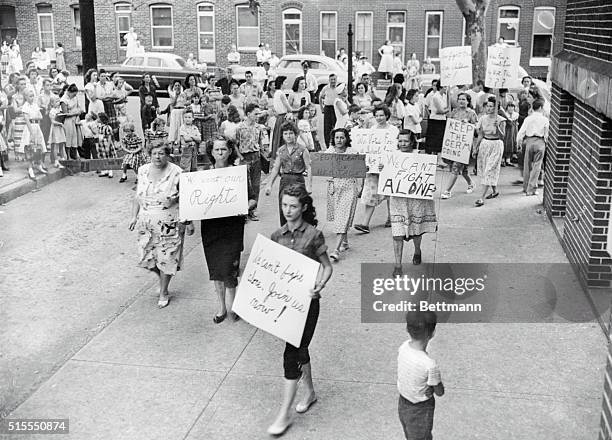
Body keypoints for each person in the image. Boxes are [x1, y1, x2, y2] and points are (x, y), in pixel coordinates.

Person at [267, 183, 333, 436]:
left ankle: (283, 415)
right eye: (284, 205)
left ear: (304, 207)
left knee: (291, 353)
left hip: (307, 304)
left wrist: (320, 284)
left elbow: (326, 267)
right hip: (285, 306)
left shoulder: (314, 235)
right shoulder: (277, 236)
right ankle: (310, 392)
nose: (288, 210)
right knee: (300, 349)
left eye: (293, 206)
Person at [129, 139, 194, 308]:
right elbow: (137, 195)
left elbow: (186, 199)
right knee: (147, 258)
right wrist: (133, 217)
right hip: (146, 223)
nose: (157, 157)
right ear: (149, 154)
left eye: (161, 153)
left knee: (167, 257)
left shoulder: (177, 173)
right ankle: (161, 278)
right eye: (154, 153)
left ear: (167, 155)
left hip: (169, 222)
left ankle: (164, 290)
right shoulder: (142, 171)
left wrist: (189, 222)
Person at [201, 136, 254, 323]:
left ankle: (234, 305)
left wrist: (245, 206)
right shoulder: (204, 173)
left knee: (230, 268)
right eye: (216, 150)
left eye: (224, 149)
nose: (220, 153)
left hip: (232, 227)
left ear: (230, 151)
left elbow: (252, 198)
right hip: (211, 228)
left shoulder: (238, 173)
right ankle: (221, 307)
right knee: (216, 269)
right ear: (211, 152)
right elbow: (195, 199)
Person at [381, 130, 437, 273]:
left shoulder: (420, 157)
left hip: (415, 200)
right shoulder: (391, 156)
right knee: (397, 233)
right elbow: (386, 175)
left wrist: (430, 183)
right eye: (400, 141)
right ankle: (398, 266)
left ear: (412, 141)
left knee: (416, 231)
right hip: (398, 200)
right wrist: (383, 169)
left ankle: (417, 250)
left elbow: (427, 176)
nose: (402, 144)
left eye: (405, 141)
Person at [397, 310, 444, 440]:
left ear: (407, 328)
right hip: (420, 409)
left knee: (410, 434)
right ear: (433, 333)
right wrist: (435, 387)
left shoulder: (403, 347)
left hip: (403, 403)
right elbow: (439, 391)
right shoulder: (429, 365)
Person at [353, 105, 397, 233]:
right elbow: (367, 148)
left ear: (387, 116)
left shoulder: (393, 130)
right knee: (371, 193)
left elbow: (395, 148)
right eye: (377, 115)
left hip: (388, 166)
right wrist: (367, 162)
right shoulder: (372, 129)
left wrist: (388, 163)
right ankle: (365, 223)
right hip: (373, 168)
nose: (379, 118)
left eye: (382, 115)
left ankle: (391, 218)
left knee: (389, 193)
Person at [264, 122, 312, 225]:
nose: (288, 136)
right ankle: (285, 233)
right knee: (285, 208)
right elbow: (276, 169)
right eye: (285, 134)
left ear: (296, 134)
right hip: (285, 181)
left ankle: (298, 234)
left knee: (298, 207)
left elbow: (309, 168)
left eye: (291, 133)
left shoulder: (302, 150)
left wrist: (308, 185)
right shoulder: (281, 150)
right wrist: (269, 185)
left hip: (298, 180)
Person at [325, 128, 359, 262]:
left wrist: (361, 184)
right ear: (333, 139)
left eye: (342, 137)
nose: (339, 140)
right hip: (334, 188)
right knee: (339, 216)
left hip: (349, 186)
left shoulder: (352, 152)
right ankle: (345, 242)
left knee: (343, 216)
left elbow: (360, 168)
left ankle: (336, 250)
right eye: (337, 137)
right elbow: (323, 168)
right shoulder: (329, 152)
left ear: (346, 139)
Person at [440, 92, 477, 199]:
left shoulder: (471, 113)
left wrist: (469, 124)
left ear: (468, 101)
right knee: (463, 170)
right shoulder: (454, 112)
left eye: (464, 99)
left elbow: (477, 129)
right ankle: (471, 183)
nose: (461, 101)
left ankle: (447, 191)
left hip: (464, 146)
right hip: (454, 145)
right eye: (459, 99)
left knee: (456, 168)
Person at [235, 103, 268, 220]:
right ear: (248, 114)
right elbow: (235, 144)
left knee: (255, 185)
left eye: (258, 114)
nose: (257, 116)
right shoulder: (239, 127)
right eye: (255, 114)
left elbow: (260, 143)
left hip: (256, 157)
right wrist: (241, 157)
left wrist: (263, 153)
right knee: (245, 186)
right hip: (245, 157)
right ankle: (243, 211)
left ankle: (252, 210)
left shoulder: (259, 128)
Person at [473, 96, 505, 206]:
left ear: (496, 108)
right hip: (485, 144)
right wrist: (476, 147)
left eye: (492, 106)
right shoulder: (482, 118)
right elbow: (481, 134)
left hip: (496, 144)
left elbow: (503, 136)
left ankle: (481, 198)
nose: (489, 108)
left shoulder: (500, 120)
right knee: (486, 169)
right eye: (488, 106)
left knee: (489, 169)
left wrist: (498, 127)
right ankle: (495, 191)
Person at [517, 99, 549, 196]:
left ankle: (526, 187)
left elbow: (521, 133)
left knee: (527, 165)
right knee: (537, 166)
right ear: (540, 108)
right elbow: (546, 134)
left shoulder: (528, 118)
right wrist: (546, 143)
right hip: (540, 141)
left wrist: (519, 143)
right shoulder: (545, 119)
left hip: (529, 141)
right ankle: (532, 189)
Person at [21, 89, 48, 178]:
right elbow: (27, 119)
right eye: (30, 96)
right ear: (25, 97)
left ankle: (38, 165)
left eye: (33, 96)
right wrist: (32, 133)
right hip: (30, 128)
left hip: (36, 126)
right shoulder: (25, 106)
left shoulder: (35, 105)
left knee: (39, 146)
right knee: (30, 148)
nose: (32, 98)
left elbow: (40, 116)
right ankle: (30, 168)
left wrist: (37, 127)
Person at [424, 81, 447, 166]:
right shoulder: (435, 96)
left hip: (441, 120)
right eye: (444, 87)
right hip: (435, 120)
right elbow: (440, 110)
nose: (446, 89)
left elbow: (443, 110)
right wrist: (448, 110)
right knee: (434, 139)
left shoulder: (443, 96)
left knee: (440, 139)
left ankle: (439, 159)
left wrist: (445, 110)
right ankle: (431, 159)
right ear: (441, 87)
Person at [270, 76, 293, 159]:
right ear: (281, 83)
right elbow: (289, 108)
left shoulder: (276, 93)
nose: (286, 84)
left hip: (279, 117)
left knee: (278, 137)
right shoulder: (281, 94)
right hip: (283, 117)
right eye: (285, 82)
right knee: (284, 138)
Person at [59, 84, 82, 161]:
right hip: (67, 121)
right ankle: (68, 156)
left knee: (75, 137)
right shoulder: (63, 100)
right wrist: (75, 113)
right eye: (74, 94)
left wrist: (78, 112)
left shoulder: (75, 98)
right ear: (69, 92)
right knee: (68, 138)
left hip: (75, 119)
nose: (75, 96)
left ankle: (74, 155)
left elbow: (79, 107)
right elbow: (65, 114)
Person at [165, 80, 186, 148]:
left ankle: (181, 144)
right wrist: (176, 96)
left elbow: (185, 102)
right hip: (175, 111)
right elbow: (173, 104)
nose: (177, 87)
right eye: (176, 85)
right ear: (174, 87)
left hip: (182, 111)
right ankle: (172, 146)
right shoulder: (172, 94)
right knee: (174, 129)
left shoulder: (183, 94)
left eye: (178, 85)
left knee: (182, 127)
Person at [97, 112, 118, 178]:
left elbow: (109, 137)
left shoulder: (107, 127)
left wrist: (108, 146)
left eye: (98, 118)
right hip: (101, 143)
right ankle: (105, 170)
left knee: (109, 157)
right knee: (103, 157)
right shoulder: (99, 126)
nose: (97, 119)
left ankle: (110, 170)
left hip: (106, 143)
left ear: (102, 119)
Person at [319, 74, 338, 147]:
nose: (333, 81)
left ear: (336, 79)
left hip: (336, 108)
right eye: (331, 79)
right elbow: (320, 97)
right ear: (329, 80)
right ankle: (328, 145)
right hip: (327, 108)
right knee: (327, 127)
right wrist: (321, 107)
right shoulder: (325, 88)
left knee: (336, 126)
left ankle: (335, 144)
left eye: (334, 79)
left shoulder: (338, 88)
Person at [48, 97, 66, 168]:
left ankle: (62, 158)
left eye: (58, 101)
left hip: (60, 128)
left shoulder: (59, 110)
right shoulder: (52, 111)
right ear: (52, 103)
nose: (58, 103)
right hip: (55, 129)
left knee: (61, 143)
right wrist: (59, 123)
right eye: (56, 102)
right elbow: (52, 121)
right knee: (56, 144)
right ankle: (56, 161)